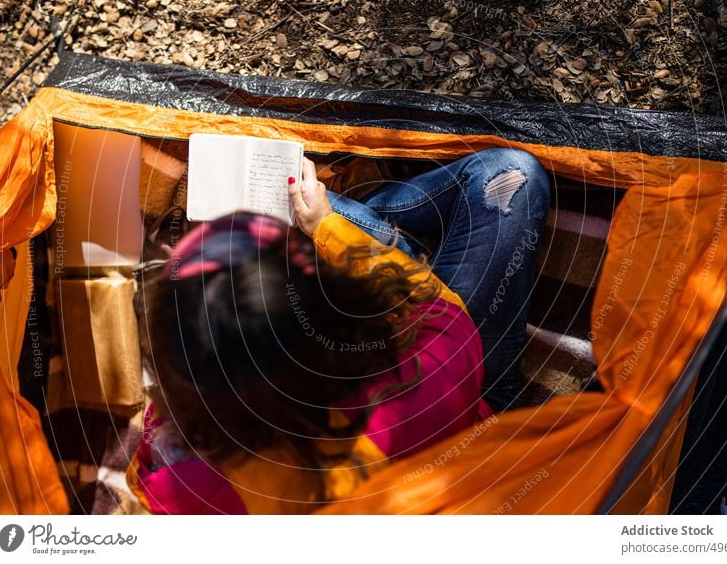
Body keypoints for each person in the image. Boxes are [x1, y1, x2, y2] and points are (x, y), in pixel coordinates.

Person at [127, 147, 549, 514]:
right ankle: (358, 212)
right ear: (335, 316)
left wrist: (184, 351)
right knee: (509, 174)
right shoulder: (431, 375)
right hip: (470, 428)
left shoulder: (189, 492)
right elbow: (433, 306)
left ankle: (368, 215)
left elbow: (154, 458)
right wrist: (325, 227)